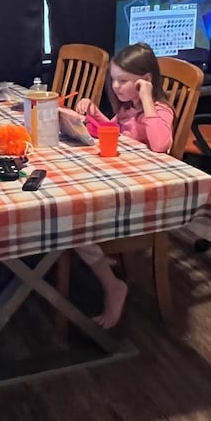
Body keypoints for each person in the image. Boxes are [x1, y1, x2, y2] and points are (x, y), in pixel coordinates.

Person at [74, 42, 174, 328]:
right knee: (71, 212)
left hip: (141, 202)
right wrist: (94, 113)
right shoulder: (128, 112)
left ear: (145, 82)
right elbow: (112, 133)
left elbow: (160, 144)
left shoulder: (158, 111)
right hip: (120, 187)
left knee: (73, 223)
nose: (116, 87)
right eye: (114, 79)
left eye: (124, 81)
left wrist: (146, 102)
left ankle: (112, 285)